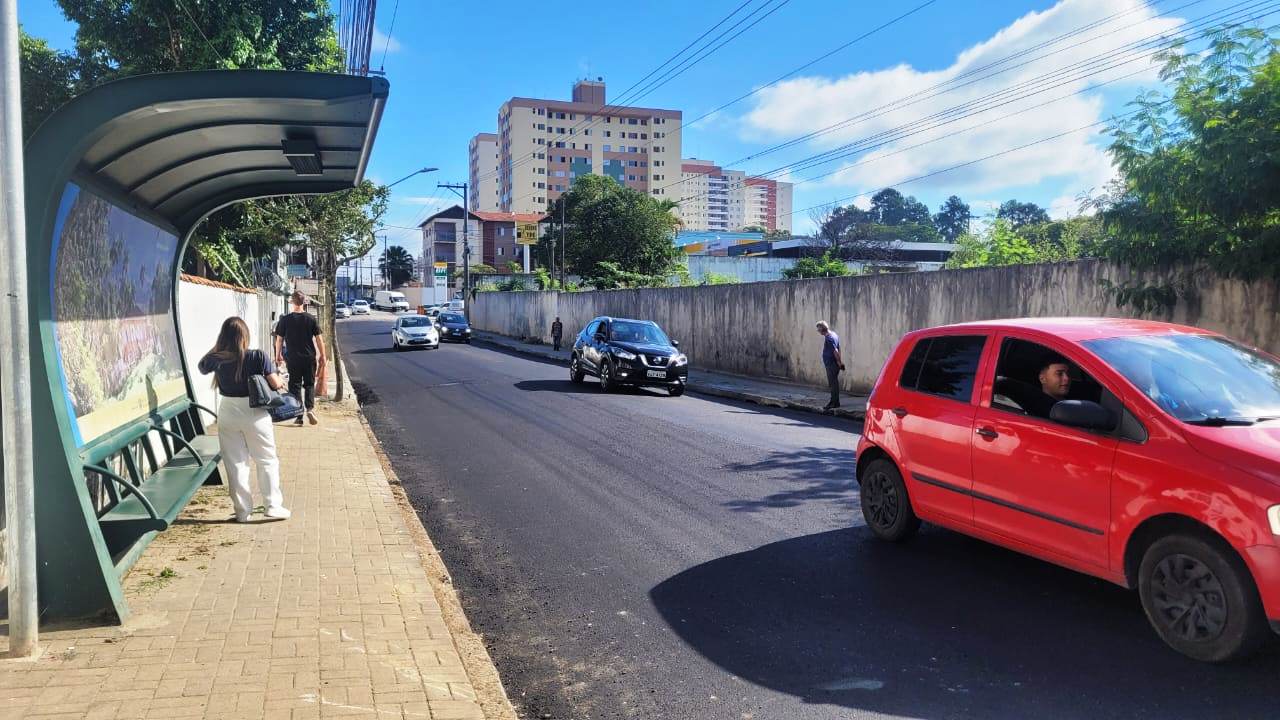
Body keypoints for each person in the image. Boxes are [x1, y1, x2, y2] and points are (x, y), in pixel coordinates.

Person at [198, 317, 291, 522]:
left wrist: (219, 346)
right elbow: (275, 384)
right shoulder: (257, 356)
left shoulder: (217, 358)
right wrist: (282, 380)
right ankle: (273, 506)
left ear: (223, 337)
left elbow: (202, 366)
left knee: (236, 463)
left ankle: (242, 511)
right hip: (255, 411)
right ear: (245, 336)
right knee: (266, 459)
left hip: (228, 410)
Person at [273, 291, 327, 427]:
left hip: (292, 358)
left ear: (292, 302)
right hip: (309, 357)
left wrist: (277, 355)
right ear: (304, 302)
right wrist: (323, 355)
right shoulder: (311, 319)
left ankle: (298, 416)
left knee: (294, 385)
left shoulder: (285, 320)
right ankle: (310, 409)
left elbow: (279, 340)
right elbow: (319, 339)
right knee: (309, 384)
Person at [816, 320, 845, 410]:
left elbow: (836, 351)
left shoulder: (829, 338)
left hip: (832, 364)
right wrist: (840, 362)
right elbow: (839, 348)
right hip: (832, 363)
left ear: (822, 329)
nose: (818, 331)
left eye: (818, 329)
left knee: (833, 384)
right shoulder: (833, 334)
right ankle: (834, 401)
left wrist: (839, 363)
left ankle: (834, 402)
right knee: (833, 383)